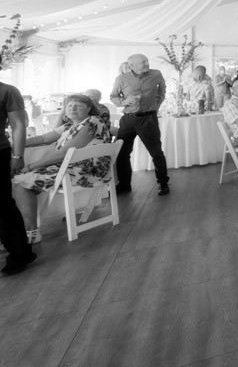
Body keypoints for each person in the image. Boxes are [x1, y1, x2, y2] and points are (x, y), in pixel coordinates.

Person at [12, 94, 111, 243]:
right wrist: (15, 144)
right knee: (22, 179)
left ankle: (31, 232)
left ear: (89, 108)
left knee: (21, 182)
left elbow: (63, 154)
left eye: (78, 105)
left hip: (87, 171)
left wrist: (30, 166)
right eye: (70, 105)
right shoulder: (69, 125)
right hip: (73, 168)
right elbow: (44, 138)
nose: (73, 108)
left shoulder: (92, 121)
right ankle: (28, 228)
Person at [110, 54, 170, 196]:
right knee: (122, 153)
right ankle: (124, 184)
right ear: (132, 66)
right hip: (128, 119)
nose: (147, 64)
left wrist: (156, 105)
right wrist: (123, 102)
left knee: (156, 152)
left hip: (148, 119)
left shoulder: (156, 74)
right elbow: (113, 96)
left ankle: (163, 183)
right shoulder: (121, 79)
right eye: (143, 62)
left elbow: (162, 90)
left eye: (147, 61)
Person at [0, 69, 35, 277]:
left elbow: (18, 124)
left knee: (2, 204)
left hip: (0, 151)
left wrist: (17, 155)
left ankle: (21, 254)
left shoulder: (8, 91)